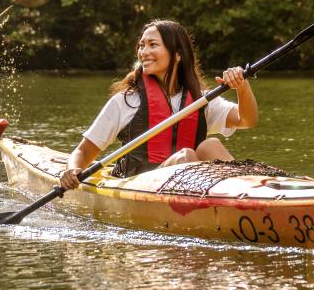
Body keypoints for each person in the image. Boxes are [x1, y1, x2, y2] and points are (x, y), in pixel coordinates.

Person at [59, 19, 257, 190]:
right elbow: (84, 151)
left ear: (177, 54)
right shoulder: (126, 101)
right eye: (141, 45)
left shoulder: (200, 100)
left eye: (153, 45)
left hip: (194, 189)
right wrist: (71, 170)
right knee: (185, 156)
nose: (144, 52)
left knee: (211, 145)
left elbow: (246, 119)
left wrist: (242, 86)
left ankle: (247, 199)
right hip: (140, 187)